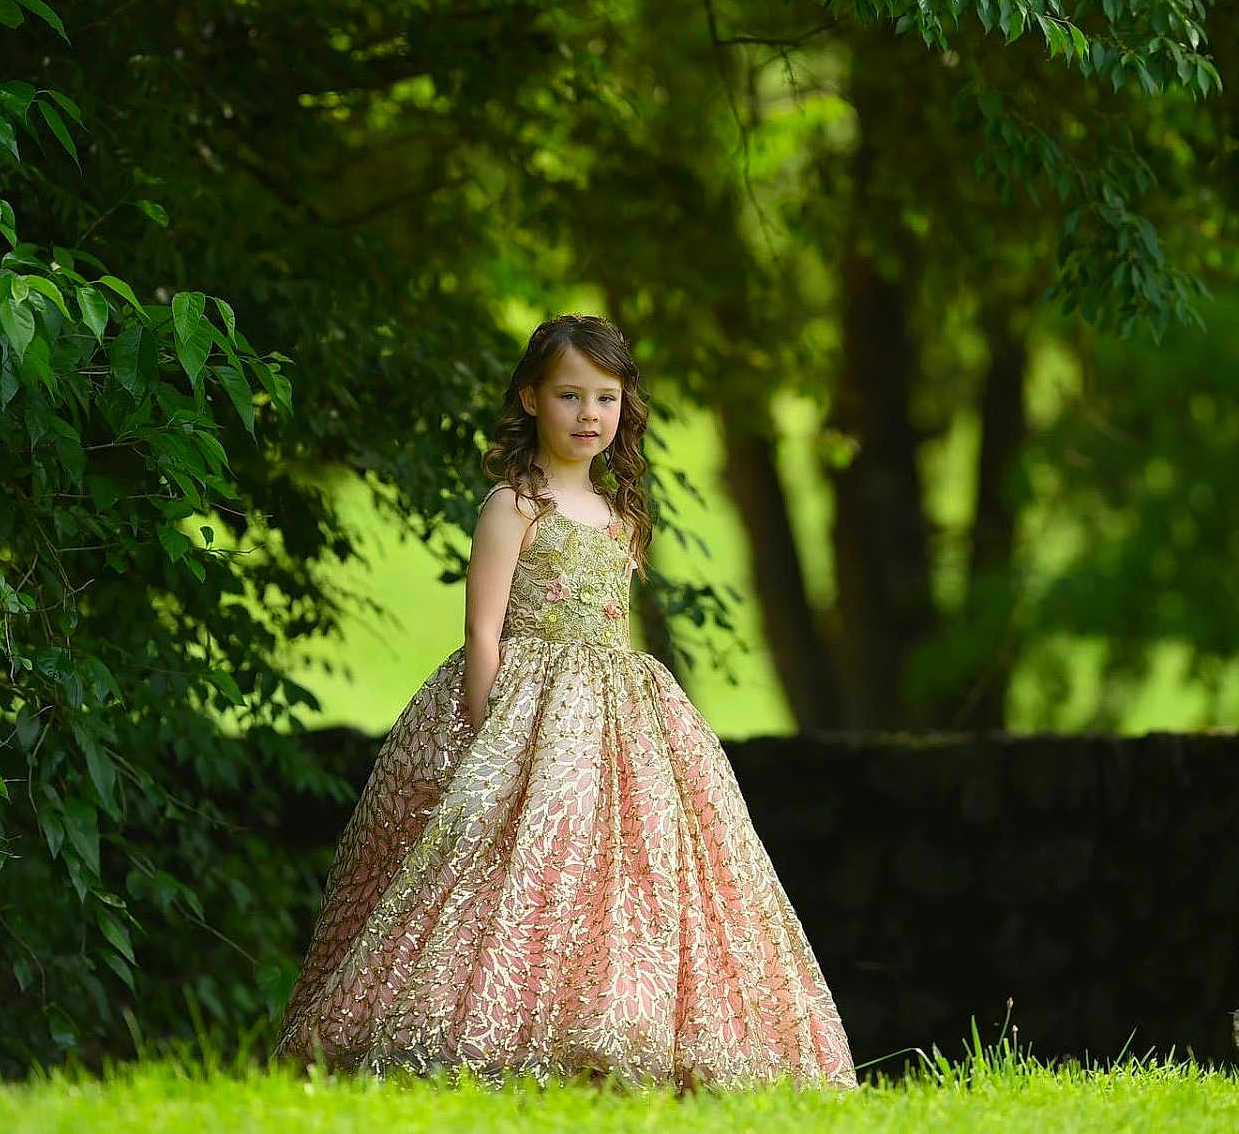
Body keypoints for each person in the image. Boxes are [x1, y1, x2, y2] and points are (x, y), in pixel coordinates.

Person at [271, 313, 858, 1094]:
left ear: (624, 409)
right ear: (530, 399)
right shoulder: (514, 504)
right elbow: (483, 630)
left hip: (621, 719)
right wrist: (487, 738)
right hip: (527, 714)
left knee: (627, 867)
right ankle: (482, 1036)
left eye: (606, 398)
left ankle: (613, 1032)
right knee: (510, 871)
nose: (589, 414)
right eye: (570, 395)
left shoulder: (622, 516)